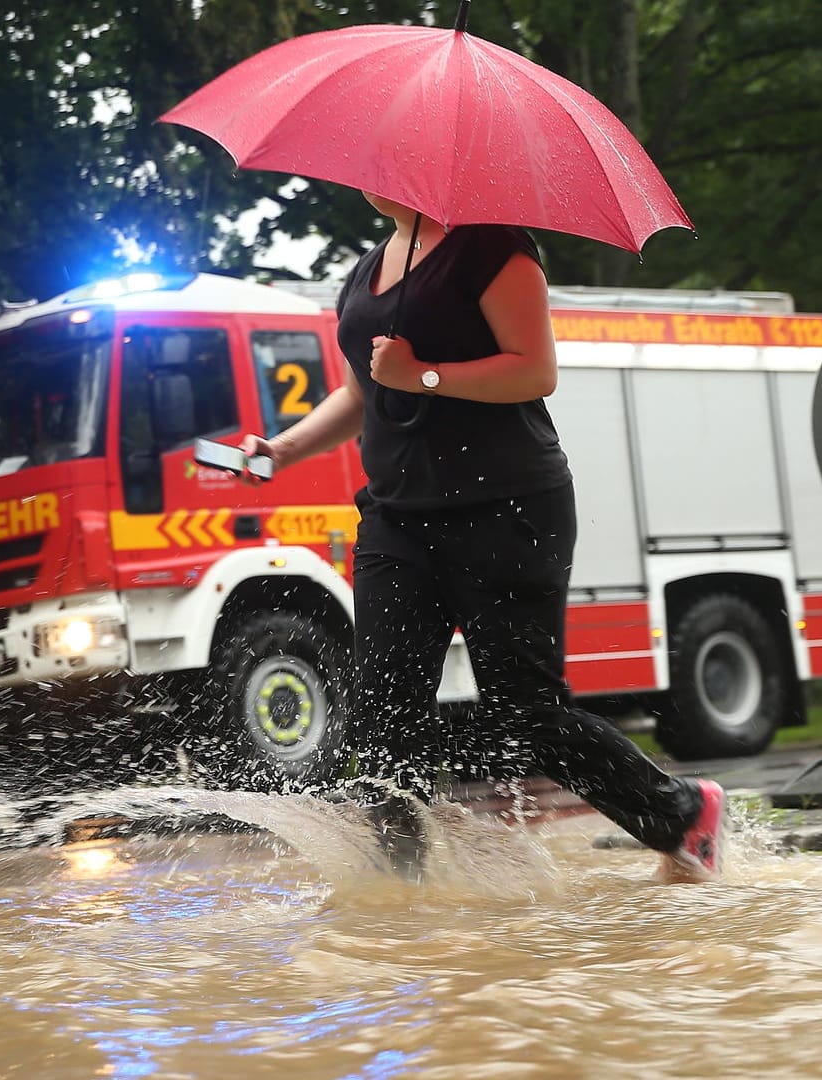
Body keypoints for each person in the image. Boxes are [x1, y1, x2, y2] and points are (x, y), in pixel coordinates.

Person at [238, 192, 728, 883]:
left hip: (507, 508)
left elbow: (534, 370)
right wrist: (282, 450)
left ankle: (682, 814)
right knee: (382, 714)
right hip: (397, 519)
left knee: (525, 712)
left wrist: (425, 376)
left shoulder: (496, 250)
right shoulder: (366, 270)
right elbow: (362, 392)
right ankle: (400, 886)